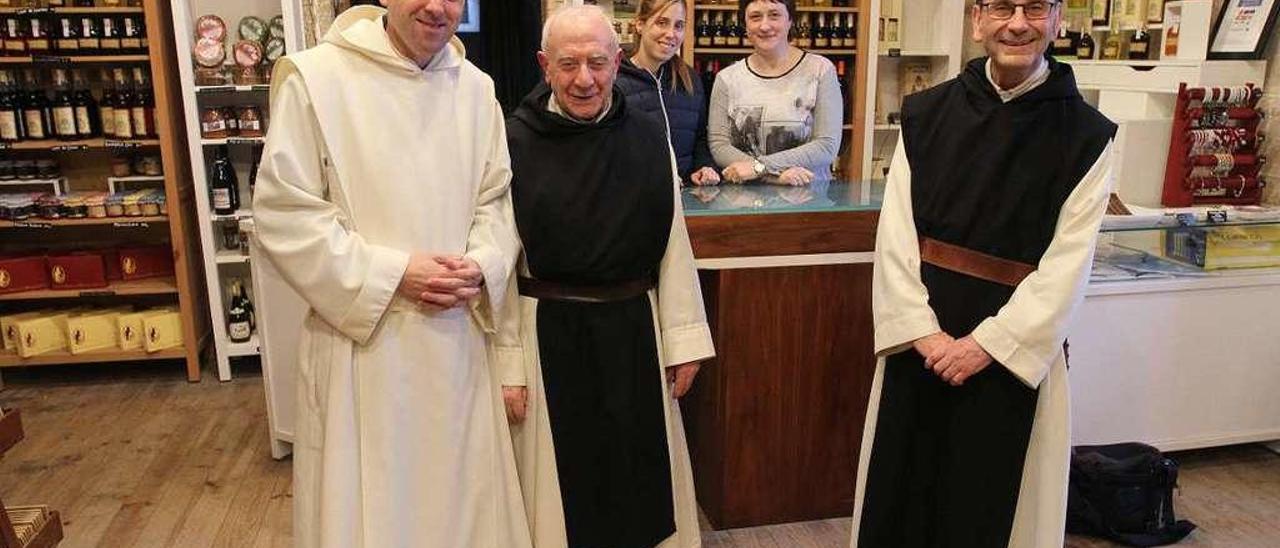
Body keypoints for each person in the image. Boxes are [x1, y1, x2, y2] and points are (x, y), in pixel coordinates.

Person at [251, 2, 530, 547]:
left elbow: (495, 202)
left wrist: (482, 262)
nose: (437, 7)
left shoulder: (475, 89)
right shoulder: (318, 79)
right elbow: (284, 213)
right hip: (365, 347)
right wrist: (395, 272)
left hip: (456, 341)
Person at [849, 1, 1116, 547]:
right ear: (976, 20)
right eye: (1000, 7)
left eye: (1035, 8)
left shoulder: (1088, 135)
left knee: (992, 513)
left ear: (1057, 20)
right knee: (900, 499)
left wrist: (986, 345)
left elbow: (1069, 263)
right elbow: (897, 232)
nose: (1017, 23)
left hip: (1011, 354)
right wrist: (920, 331)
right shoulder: (925, 114)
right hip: (921, 342)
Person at [495, 6, 715, 548]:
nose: (584, 79)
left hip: (635, 331)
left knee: (640, 479)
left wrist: (683, 340)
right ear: (544, 64)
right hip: (547, 333)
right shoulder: (511, 143)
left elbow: (673, 246)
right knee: (559, 505)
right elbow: (498, 261)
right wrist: (506, 364)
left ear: (617, 61)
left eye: (597, 62)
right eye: (568, 64)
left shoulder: (646, 138)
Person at [707, 0, 842, 186]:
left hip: (808, 201)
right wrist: (775, 177)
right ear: (744, 24)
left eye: (774, 15)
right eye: (755, 17)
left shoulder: (820, 70)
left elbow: (826, 146)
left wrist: (759, 167)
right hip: (741, 203)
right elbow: (719, 146)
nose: (764, 25)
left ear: (790, 20)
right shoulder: (726, 79)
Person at [616, 0, 720, 186]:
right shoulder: (615, 82)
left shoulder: (690, 79)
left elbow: (700, 139)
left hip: (689, 200)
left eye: (679, 25)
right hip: (638, 202)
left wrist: (703, 166)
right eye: (661, 23)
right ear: (640, 24)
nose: (671, 34)